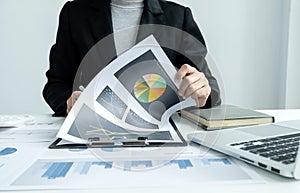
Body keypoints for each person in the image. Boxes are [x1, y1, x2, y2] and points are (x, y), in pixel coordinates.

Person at [43, 0, 221, 116]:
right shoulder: (75, 14)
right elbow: (56, 84)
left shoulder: (178, 16)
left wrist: (202, 91)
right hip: (95, 129)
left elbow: (211, 89)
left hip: (160, 133)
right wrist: (69, 101)